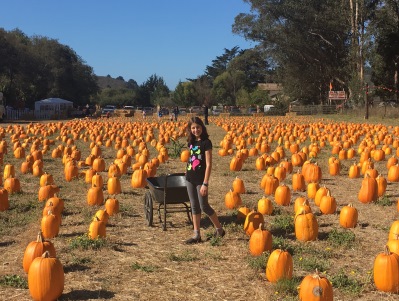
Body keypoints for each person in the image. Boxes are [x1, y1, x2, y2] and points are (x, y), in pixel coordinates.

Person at [184, 116, 225, 244]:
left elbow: (208, 164)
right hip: (190, 178)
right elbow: (191, 158)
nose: (196, 130)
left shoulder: (206, 142)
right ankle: (197, 234)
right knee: (194, 207)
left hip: (201, 180)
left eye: (198, 127)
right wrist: (186, 172)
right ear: (190, 130)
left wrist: (205, 183)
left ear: (202, 127)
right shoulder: (191, 142)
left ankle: (219, 229)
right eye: (193, 128)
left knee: (204, 206)